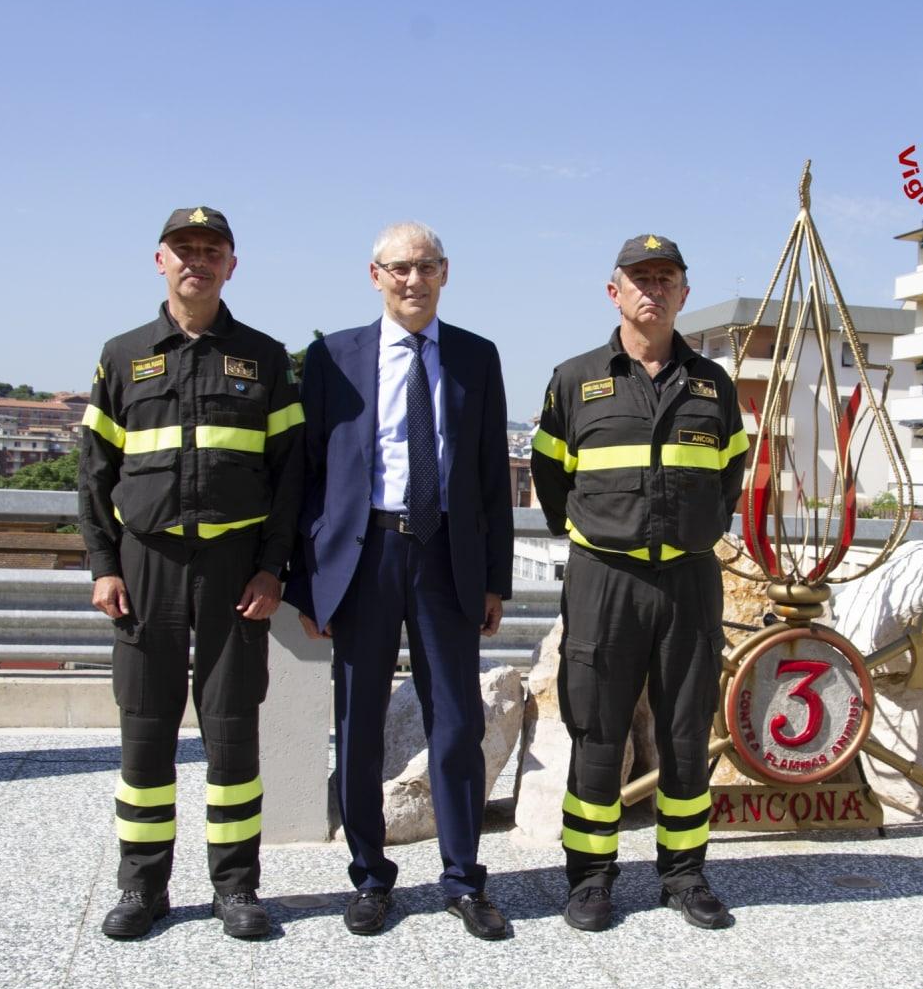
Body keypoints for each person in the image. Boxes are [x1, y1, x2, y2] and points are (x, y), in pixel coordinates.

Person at [78, 206, 303, 940]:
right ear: (160, 261)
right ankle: (142, 888)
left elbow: (291, 476)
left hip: (234, 570)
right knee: (144, 733)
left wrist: (273, 569)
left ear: (232, 265)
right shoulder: (121, 355)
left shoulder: (266, 358)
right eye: (184, 250)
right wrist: (105, 565)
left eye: (211, 250)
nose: (196, 261)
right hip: (145, 567)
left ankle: (237, 888)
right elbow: (93, 474)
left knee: (233, 734)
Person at [287, 221, 513, 940]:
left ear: (445, 272)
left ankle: (462, 877)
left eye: (426, 266)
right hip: (365, 558)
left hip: (448, 555)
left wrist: (495, 579)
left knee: (458, 721)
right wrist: (307, 583)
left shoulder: (477, 356)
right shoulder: (332, 357)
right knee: (358, 723)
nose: (413, 280)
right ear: (374, 275)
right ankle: (369, 876)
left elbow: (489, 480)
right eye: (399, 268)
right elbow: (306, 474)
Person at [530, 234, 748, 932]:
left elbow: (730, 480)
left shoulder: (714, 386)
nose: (652, 289)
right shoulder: (573, 379)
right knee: (597, 730)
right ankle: (590, 879)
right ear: (614, 291)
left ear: (684, 292)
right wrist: (604, 531)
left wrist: (690, 531)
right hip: (606, 578)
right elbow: (549, 480)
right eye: (639, 278)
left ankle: (684, 874)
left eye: (666, 277)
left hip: (688, 578)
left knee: (686, 734)